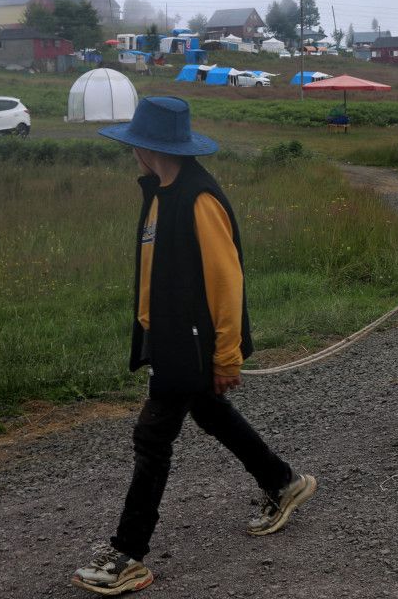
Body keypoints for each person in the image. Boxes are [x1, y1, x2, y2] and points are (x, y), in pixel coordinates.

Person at [72, 96, 316, 595]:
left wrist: (226, 355)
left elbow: (226, 283)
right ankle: (283, 482)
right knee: (209, 412)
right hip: (168, 338)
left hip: (191, 343)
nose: (130, 153)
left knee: (152, 438)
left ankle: (127, 555)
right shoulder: (161, 191)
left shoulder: (198, 198)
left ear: (146, 147)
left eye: (132, 145)